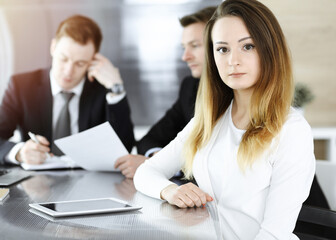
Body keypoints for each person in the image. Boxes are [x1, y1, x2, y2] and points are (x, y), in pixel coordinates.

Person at [134, 0, 316, 239]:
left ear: (270, 51)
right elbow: (145, 172)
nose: (233, 61)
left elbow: (274, 234)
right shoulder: (210, 120)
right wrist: (169, 191)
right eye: (222, 49)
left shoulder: (291, 130)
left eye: (247, 46)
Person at [0, 15, 135, 165]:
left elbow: (124, 149)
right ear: (53, 47)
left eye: (80, 63)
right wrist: (19, 153)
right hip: (36, 181)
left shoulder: (103, 90)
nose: (68, 71)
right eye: (63, 59)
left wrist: (116, 87)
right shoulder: (21, 86)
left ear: (93, 60)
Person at [114, 6, 216, 179]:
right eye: (184, 47)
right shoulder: (190, 86)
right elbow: (150, 139)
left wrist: (159, 166)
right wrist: (156, 160)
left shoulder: (238, 94)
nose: (185, 56)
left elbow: (215, 163)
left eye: (195, 46)